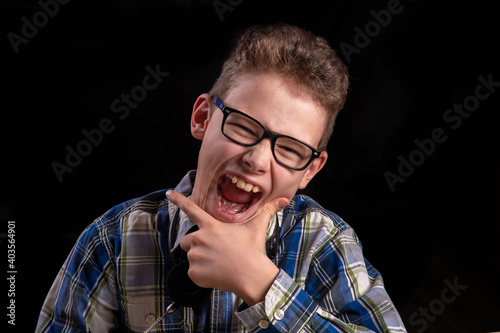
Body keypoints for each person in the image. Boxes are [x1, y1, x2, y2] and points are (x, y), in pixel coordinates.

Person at [36, 24, 406, 332]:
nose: (257, 160)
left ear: (310, 170)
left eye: (290, 150)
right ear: (202, 119)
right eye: (244, 127)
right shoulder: (112, 242)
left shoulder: (325, 244)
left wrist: (262, 285)